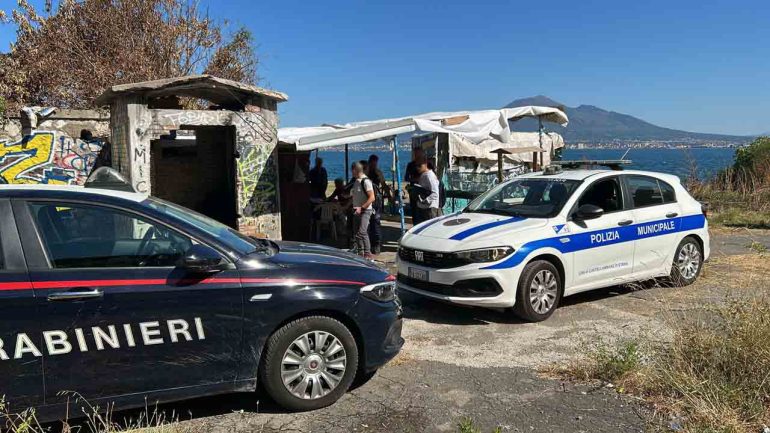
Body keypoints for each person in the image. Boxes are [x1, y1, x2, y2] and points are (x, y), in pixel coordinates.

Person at [350, 162, 375, 259]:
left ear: (354, 170)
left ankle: (368, 253)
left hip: (365, 211)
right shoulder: (356, 181)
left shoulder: (366, 181)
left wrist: (362, 208)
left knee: (362, 232)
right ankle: (361, 253)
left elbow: (372, 197)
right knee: (357, 233)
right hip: (357, 210)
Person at [367, 154, 391, 255]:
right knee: (370, 223)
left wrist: (389, 195)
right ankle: (372, 245)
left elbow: (384, 184)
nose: (374, 164)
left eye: (375, 163)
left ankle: (376, 245)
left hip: (375, 201)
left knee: (375, 223)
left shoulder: (377, 172)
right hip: (370, 200)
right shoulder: (368, 172)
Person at [414, 155, 442, 224]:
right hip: (424, 208)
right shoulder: (424, 175)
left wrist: (424, 201)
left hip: (430, 208)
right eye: (416, 165)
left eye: (419, 165)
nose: (417, 168)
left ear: (425, 164)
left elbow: (435, 193)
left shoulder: (429, 176)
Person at [404, 148, 425, 224]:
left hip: (424, 192)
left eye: (418, 154)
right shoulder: (410, 165)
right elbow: (406, 178)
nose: (417, 156)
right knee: (415, 211)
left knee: (423, 211)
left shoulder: (426, 164)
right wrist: (416, 179)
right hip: (414, 191)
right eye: (415, 154)